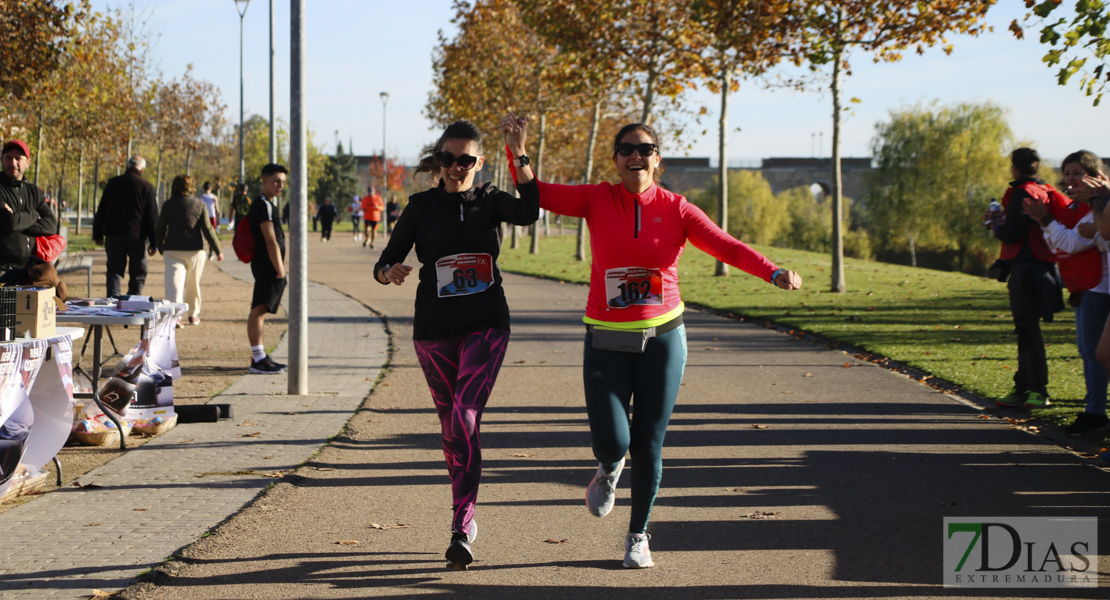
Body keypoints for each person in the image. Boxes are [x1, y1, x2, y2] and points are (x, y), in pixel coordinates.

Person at [500, 114, 802, 569]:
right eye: (627, 150)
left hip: (664, 338)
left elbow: (727, 246)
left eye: (645, 149)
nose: (636, 156)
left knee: (649, 444)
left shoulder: (678, 208)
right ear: (616, 160)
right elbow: (537, 193)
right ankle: (607, 468)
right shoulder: (596, 199)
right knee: (612, 442)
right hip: (606, 338)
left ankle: (638, 535)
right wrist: (517, 148)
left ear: (657, 159)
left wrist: (772, 271)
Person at [372, 119, 539, 570]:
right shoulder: (421, 207)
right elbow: (386, 259)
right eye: (448, 158)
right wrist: (389, 273)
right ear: (438, 160)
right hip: (433, 329)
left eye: (466, 160)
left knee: (465, 414)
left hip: (486, 322)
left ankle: (461, 525)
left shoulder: (489, 199)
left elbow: (530, 211)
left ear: (478, 163)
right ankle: (463, 514)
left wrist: (519, 154)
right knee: (452, 427)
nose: (456, 167)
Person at [1024, 151, 1110, 435]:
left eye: (1077, 173)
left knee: (1095, 352)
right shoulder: (1078, 208)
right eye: (1067, 173)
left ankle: (1095, 412)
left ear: (1095, 176)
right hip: (1084, 284)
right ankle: (1094, 411)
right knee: (1090, 351)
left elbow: (1071, 243)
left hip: (1099, 283)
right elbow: (1060, 245)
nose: (1071, 179)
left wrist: (1045, 220)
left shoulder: (1095, 206)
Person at [989, 148, 1067, 409]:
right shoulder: (1044, 190)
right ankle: (1022, 386)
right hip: (1045, 265)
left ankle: (1037, 389)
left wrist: (994, 226)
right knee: (1026, 327)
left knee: (1027, 328)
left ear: (1014, 167)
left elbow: (1011, 234)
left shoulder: (1021, 192)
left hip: (1026, 267)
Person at [153, 175, 223, 326]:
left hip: (172, 249)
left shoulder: (168, 205)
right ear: (192, 187)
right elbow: (208, 229)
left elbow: (160, 228)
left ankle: (175, 315)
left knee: (174, 283)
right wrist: (218, 250)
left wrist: (159, 245)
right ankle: (193, 314)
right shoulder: (199, 204)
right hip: (195, 250)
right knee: (193, 283)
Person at [93, 155, 158, 297]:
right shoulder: (146, 187)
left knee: (114, 271)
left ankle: (113, 300)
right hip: (137, 237)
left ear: (127, 166)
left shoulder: (113, 183)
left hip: (113, 235)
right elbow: (152, 218)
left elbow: (101, 210)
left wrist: (97, 234)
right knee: (138, 273)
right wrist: (154, 243)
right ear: (142, 170)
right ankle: (133, 301)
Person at [247, 163, 289, 374]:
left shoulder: (267, 204)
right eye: (276, 181)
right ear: (264, 180)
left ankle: (261, 356)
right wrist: (280, 269)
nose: (280, 185)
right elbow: (270, 239)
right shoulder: (262, 205)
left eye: (282, 181)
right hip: (266, 265)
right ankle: (257, 359)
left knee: (261, 309)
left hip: (267, 264)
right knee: (259, 308)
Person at [0, 140, 57, 278]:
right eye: (8, 158)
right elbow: (9, 222)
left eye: (18, 158)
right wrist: (33, 215)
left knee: (58, 288)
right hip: (3, 267)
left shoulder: (34, 191)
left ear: (28, 163)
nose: (13, 163)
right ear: (1, 160)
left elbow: (51, 225)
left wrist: (17, 220)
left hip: (30, 265)